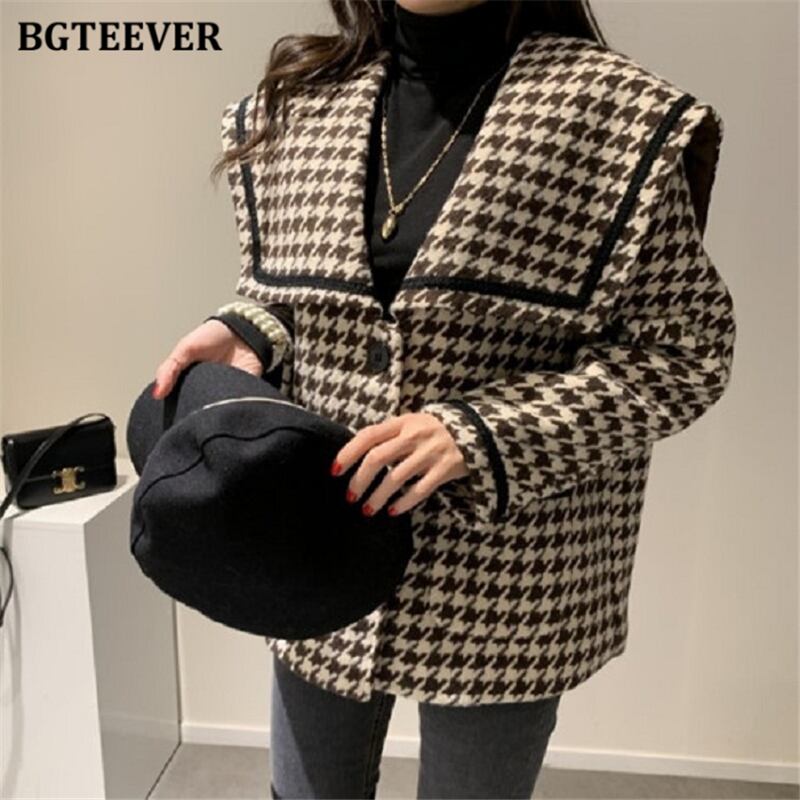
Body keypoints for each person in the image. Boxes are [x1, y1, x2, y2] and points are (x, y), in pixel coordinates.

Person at [151, 1, 737, 797]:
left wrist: (484, 434)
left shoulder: (615, 116)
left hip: (510, 574)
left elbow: (685, 353)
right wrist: (248, 327)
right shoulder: (299, 104)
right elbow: (293, 298)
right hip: (314, 541)